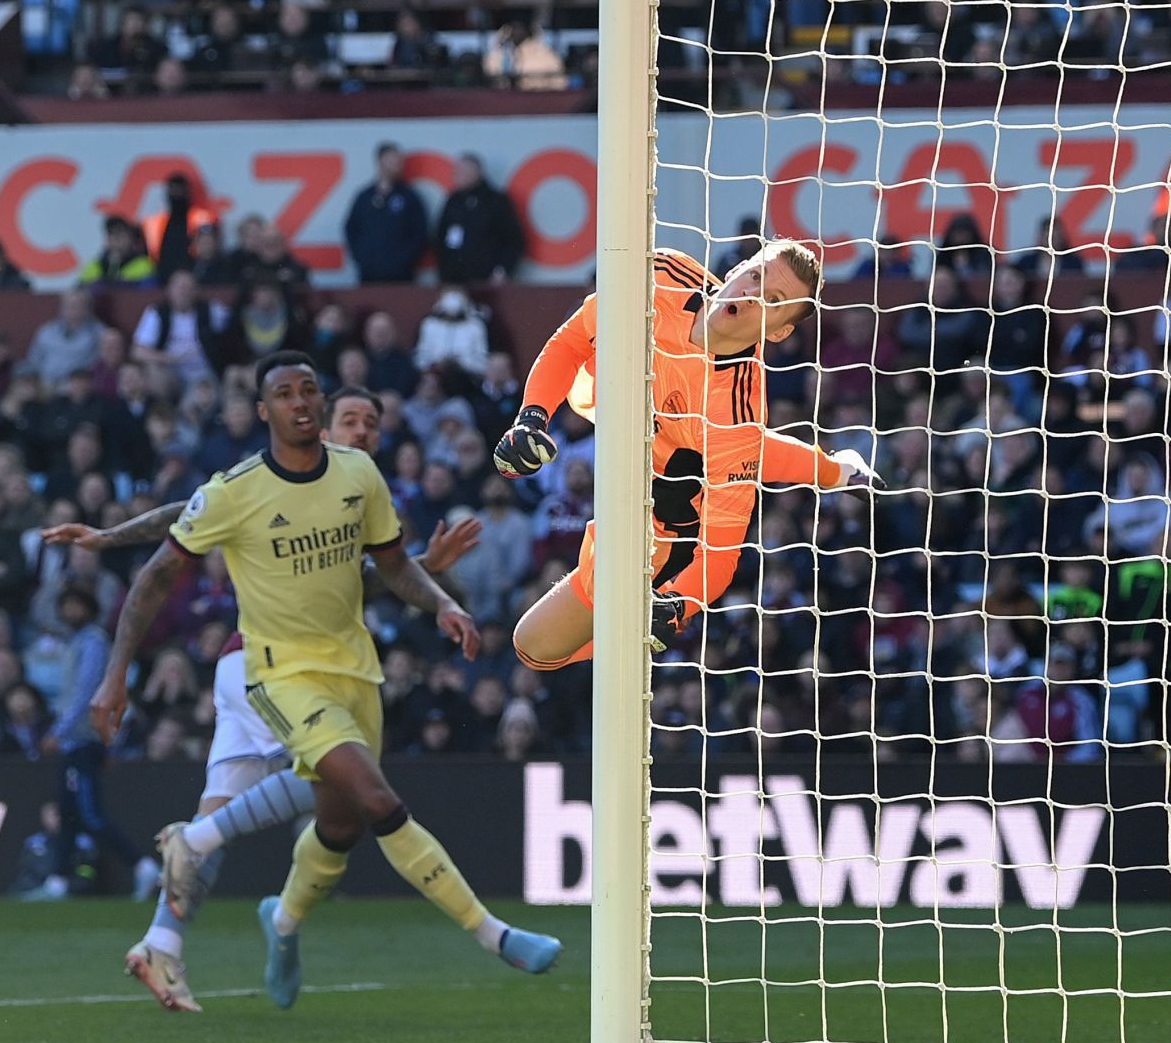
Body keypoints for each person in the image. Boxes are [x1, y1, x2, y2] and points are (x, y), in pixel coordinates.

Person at [87, 351, 561, 1009]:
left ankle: (221, 931)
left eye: (368, 420)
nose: (353, 426)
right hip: (265, 665)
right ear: (268, 411)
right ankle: (494, 935)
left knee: (337, 823)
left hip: (351, 669)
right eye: (342, 414)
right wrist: (111, 568)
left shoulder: (360, 479)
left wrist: (441, 595)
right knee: (370, 795)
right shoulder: (240, 488)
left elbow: (378, 571)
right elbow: (178, 526)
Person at [496, 242, 875, 671]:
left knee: (533, 647)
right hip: (623, 411)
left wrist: (678, 604)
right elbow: (571, 342)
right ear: (737, 268)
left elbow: (721, 552)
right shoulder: (664, 272)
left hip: (658, 523)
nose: (753, 294)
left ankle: (837, 470)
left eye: (773, 301)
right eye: (756, 275)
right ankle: (837, 469)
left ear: (779, 331)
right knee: (723, 442)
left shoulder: (737, 411)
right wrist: (531, 419)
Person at [17, 584, 162, 903]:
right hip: (77, 742)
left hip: (84, 740)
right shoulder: (76, 643)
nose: (70, 611)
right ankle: (57, 882)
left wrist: (61, 731)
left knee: (90, 814)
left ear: (90, 609)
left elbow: (87, 694)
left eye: (76, 605)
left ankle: (142, 866)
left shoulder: (94, 642)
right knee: (68, 813)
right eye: (66, 605)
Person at [434, 153, 526, 284]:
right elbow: (441, 235)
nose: (456, 176)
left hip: (487, 279)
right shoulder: (453, 200)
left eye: (461, 172)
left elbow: (513, 239)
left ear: (475, 172)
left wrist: (503, 269)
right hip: (455, 280)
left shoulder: (496, 201)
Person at [344, 142, 430, 283]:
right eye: (391, 160)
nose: (396, 165)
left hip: (402, 275)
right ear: (379, 161)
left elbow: (420, 232)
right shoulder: (365, 196)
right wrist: (362, 258)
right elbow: (351, 228)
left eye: (398, 161)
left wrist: (406, 260)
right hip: (369, 274)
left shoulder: (409, 196)